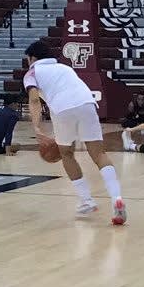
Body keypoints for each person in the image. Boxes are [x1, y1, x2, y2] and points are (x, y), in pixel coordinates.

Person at [24, 37, 125, 223]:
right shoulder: (64, 68)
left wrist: (36, 126)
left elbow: (34, 99)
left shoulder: (32, 72)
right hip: (87, 103)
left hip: (62, 108)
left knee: (66, 153)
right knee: (99, 154)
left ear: (32, 58)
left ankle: (86, 201)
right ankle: (116, 198)